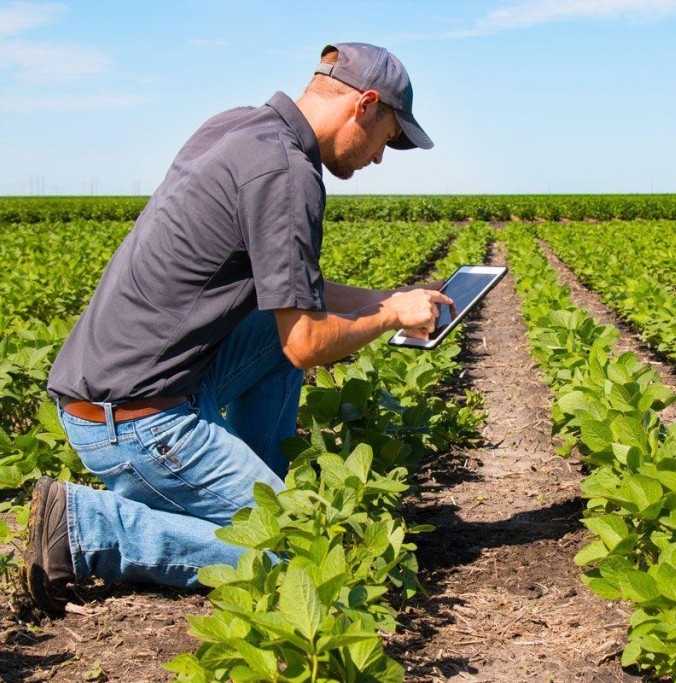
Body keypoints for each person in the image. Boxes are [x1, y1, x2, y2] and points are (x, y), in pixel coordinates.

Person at [23, 41, 452, 616]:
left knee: (271, 332)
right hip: (134, 423)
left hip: (116, 388)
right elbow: (305, 343)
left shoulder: (237, 130)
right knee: (301, 557)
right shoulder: (288, 175)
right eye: (389, 138)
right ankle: (87, 526)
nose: (380, 157)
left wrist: (389, 297)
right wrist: (391, 316)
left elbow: (297, 299)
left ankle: (252, 489)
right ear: (366, 105)